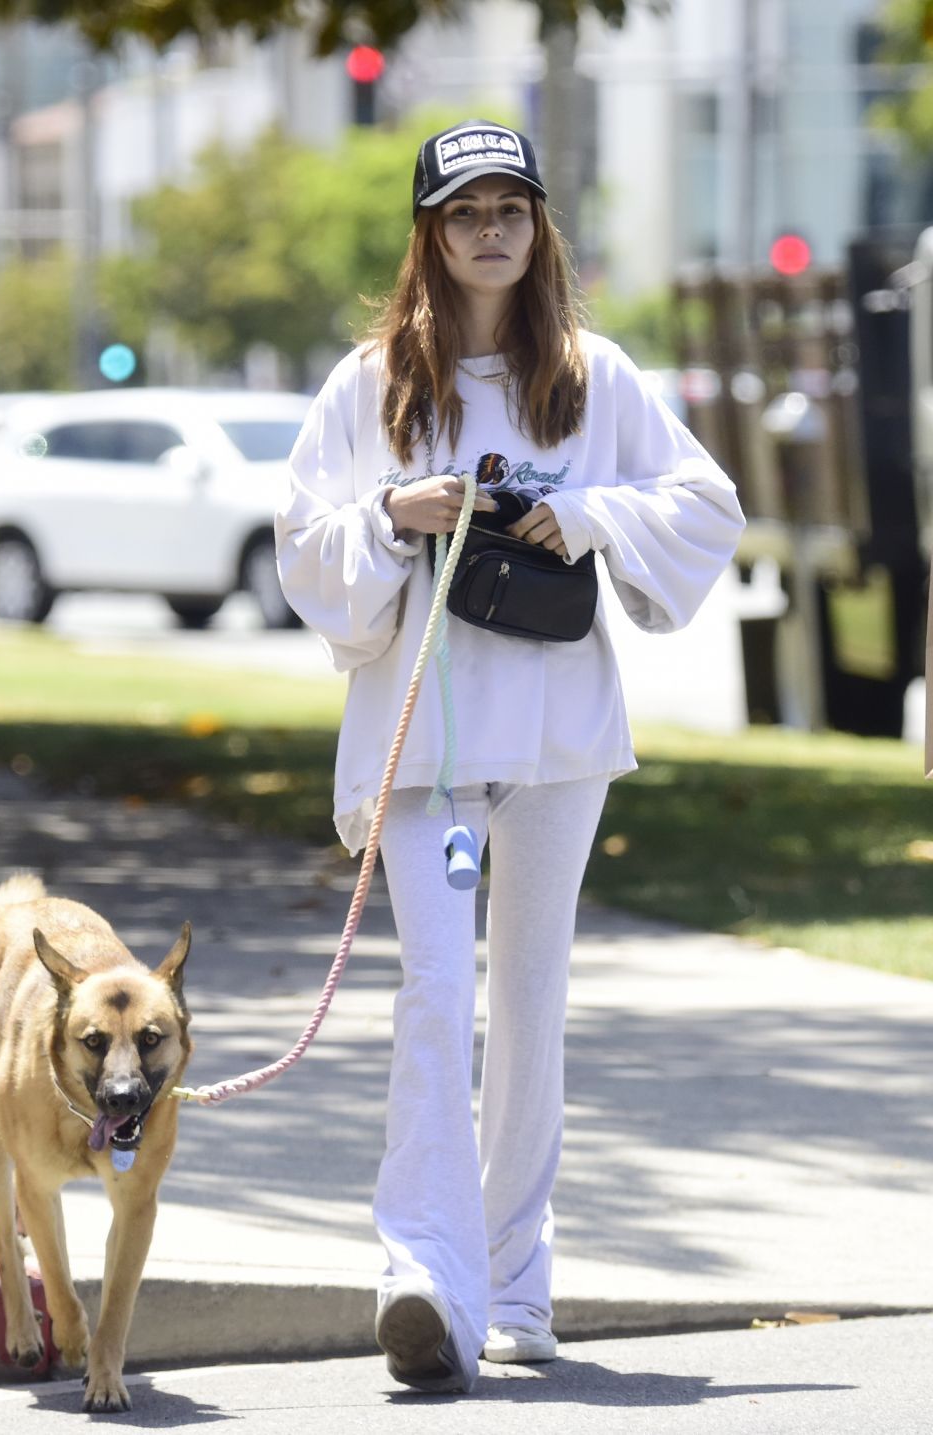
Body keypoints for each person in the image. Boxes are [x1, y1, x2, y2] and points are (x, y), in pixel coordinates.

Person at [275, 120, 745, 1395]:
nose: (490, 230)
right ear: (428, 233)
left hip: (557, 743)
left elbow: (707, 506)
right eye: (464, 210)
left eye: (511, 209)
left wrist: (584, 513)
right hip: (420, 743)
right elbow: (300, 544)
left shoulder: (594, 378)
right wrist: (389, 512)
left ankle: (515, 1284)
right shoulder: (368, 382)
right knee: (434, 991)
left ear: (538, 231)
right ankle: (421, 1275)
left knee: (527, 1003)